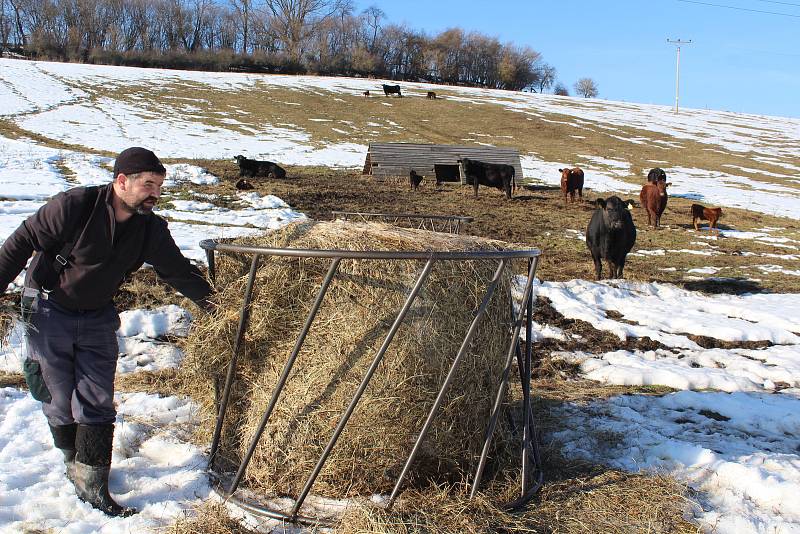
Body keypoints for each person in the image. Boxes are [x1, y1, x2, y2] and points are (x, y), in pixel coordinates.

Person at [0, 147, 214, 517]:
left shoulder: (150, 229)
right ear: (121, 181)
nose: (155, 194)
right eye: (148, 185)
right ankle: (72, 460)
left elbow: (178, 271)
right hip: (48, 308)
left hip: (98, 313)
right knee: (55, 393)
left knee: (97, 396)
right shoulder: (73, 207)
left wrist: (220, 307)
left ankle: (93, 480)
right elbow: (19, 243)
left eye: (159, 187)